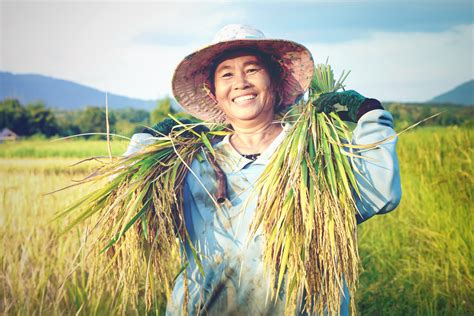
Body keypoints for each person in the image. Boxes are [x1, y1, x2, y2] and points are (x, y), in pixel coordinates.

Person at [125, 24, 401, 315]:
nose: (241, 82)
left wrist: (370, 114)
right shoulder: (191, 163)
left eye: (252, 70)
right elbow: (131, 207)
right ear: (213, 91)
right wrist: (146, 141)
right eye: (227, 74)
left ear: (275, 80)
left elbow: (379, 193)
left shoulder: (315, 152)